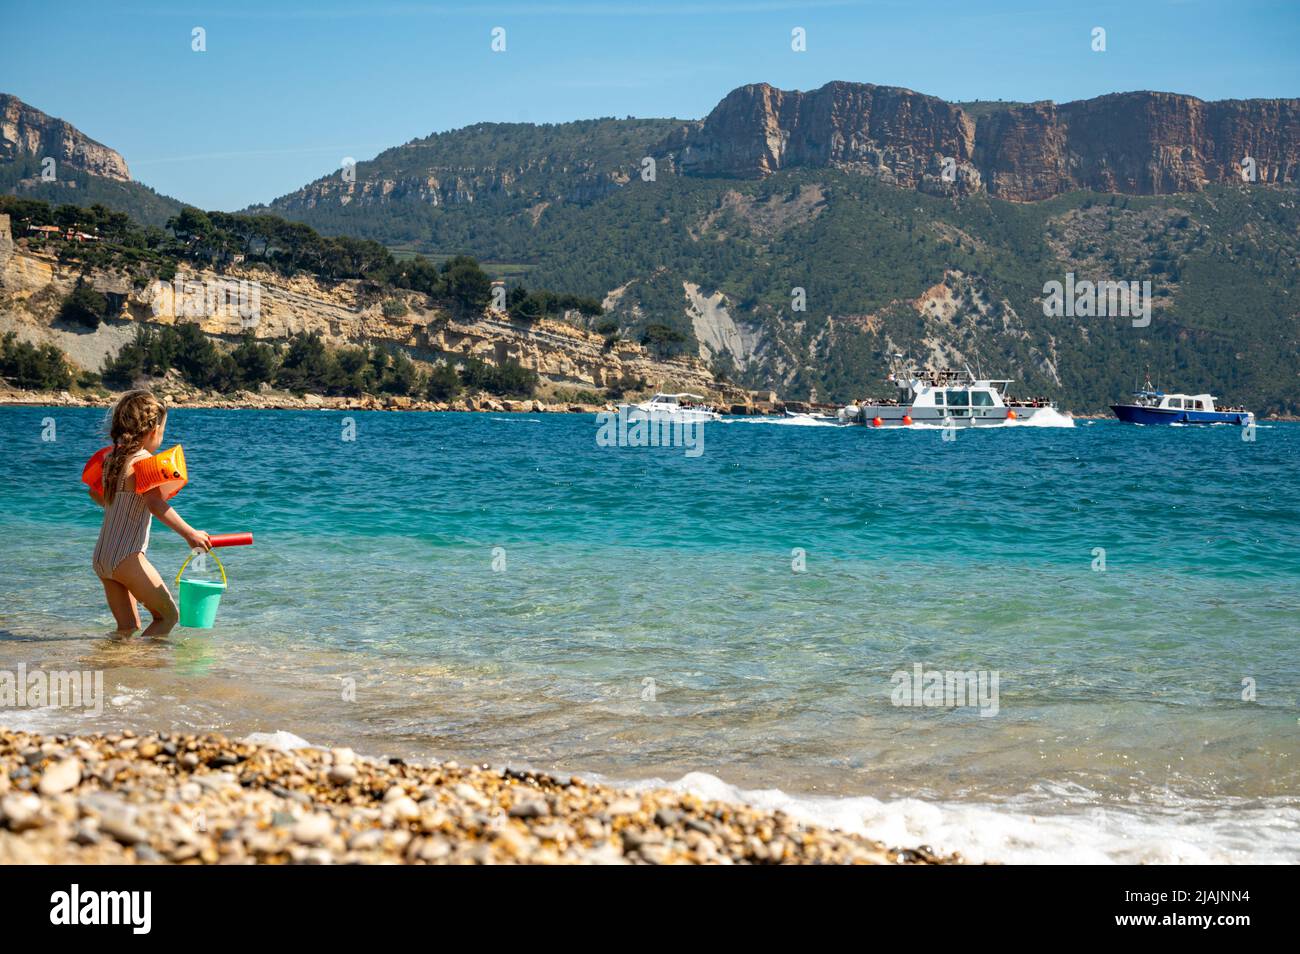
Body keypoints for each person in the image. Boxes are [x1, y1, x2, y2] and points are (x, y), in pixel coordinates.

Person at [89, 390, 211, 636]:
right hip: (127, 557)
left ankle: (116, 666)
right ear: (153, 430)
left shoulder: (111, 459)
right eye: (163, 430)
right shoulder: (144, 462)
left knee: (127, 628)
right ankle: (145, 670)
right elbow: (155, 504)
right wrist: (191, 534)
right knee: (168, 617)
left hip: (102, 557)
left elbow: (96, 495)